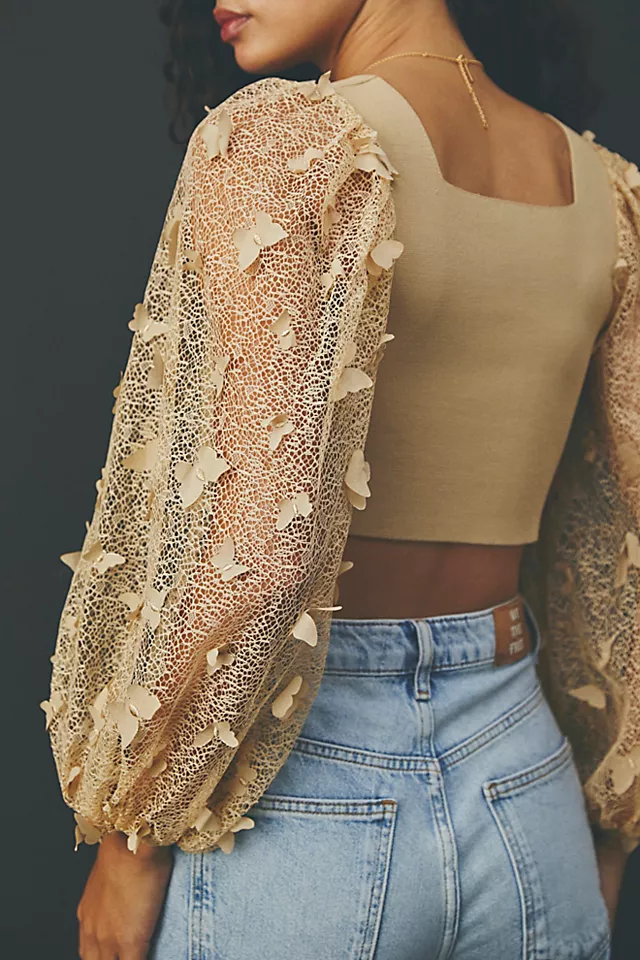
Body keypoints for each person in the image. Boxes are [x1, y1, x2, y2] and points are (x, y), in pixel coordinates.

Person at [57, 1, 637, 957]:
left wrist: (133, 837)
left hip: (306, 791)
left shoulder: (288, 142)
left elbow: (262, 561)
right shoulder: (605, 191)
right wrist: (609, 827)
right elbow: (620, 542)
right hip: (527, 783)